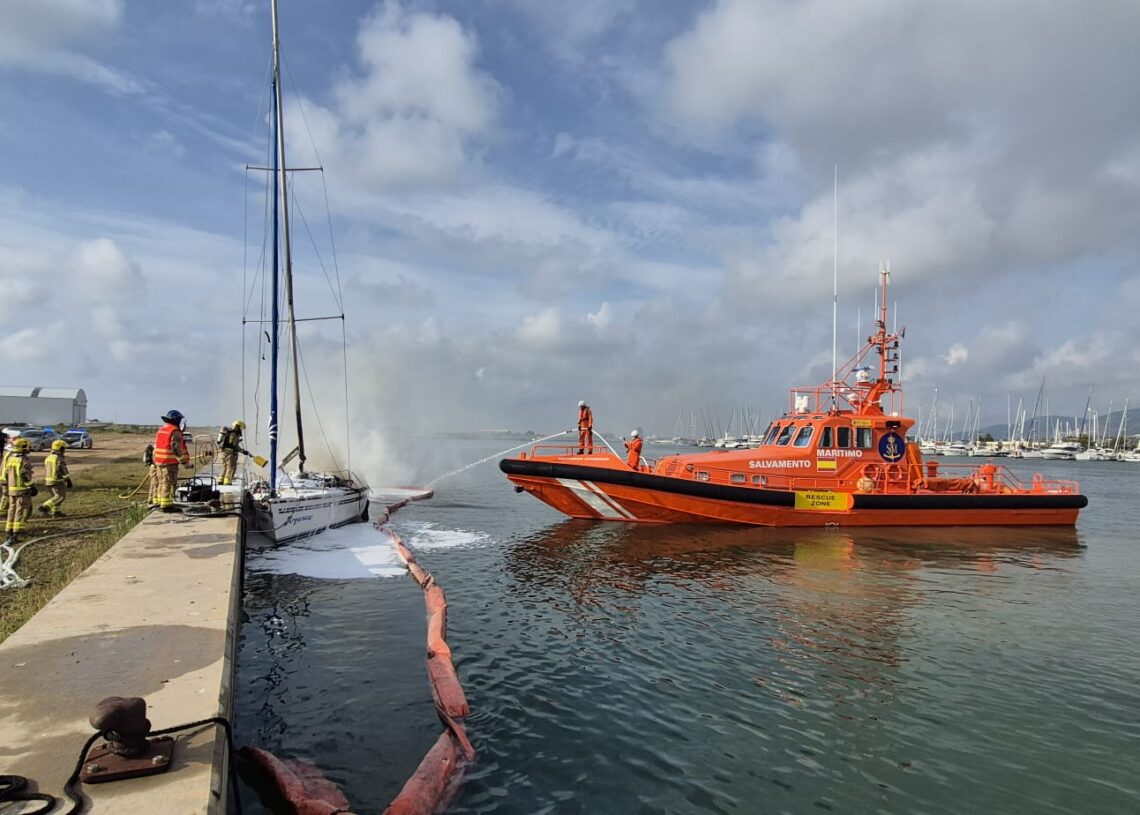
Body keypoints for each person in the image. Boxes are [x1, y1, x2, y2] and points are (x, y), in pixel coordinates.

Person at [153, 409, 191, 512]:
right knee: (168, 483)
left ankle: (160, 502)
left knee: (161, 482)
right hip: (169, 463)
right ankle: (166, 505)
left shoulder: (162, 429)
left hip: (159, 462)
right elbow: (175, 447)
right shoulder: (175, 431)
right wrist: (184, 462)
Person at [4, 437, 35, 543]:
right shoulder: (24, 460)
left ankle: (9, 531)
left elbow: (6, 473)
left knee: (11, 510)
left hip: (11, 490)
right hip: (22, 490)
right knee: (19, 510)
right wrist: (31, 486)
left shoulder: (11, 458)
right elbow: (24, 474)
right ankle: (16, 533)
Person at [39, 439, 73, 516]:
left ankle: (56, 512)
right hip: (57, 480)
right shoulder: (58, 458)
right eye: (64, 448)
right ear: (60, 448)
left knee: (55, 497)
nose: (65, 450)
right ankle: (44, 506)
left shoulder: (49, 457)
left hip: (48, 480)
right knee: (60, 497)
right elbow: (62, 469)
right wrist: (68, 480)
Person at [217, 420, 248, 486]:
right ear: (238, 426)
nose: (241, 430)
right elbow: (235, 446)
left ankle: (220, 480)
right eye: (241, 428)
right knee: (231, 467)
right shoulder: (235, 434)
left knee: (224, 466)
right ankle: (227, 481)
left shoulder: (228, 432)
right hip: (229, 452)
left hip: (222, 451)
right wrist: (243, 451)